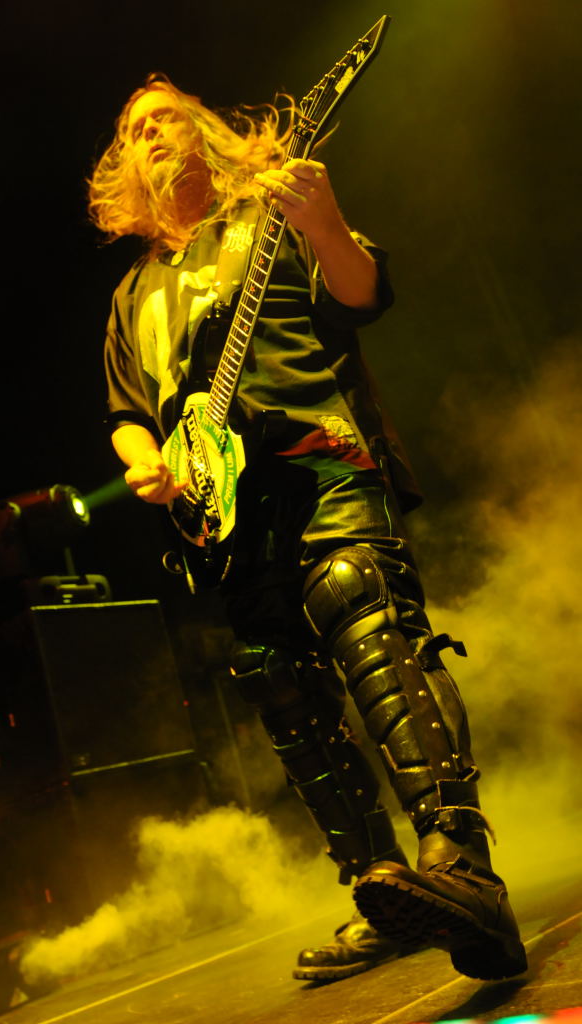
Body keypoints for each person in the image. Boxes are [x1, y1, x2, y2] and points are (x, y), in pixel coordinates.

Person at [89, 74, 527, 983]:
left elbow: (363, 293)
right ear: (123, 165)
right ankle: (381, 890)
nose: (151, 134)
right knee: (279, 687)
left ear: (207, 133)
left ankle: (463, 868)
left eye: (167, 118)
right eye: (134, 130)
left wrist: (325, 220)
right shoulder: (133, 296)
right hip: (225, 516)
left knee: (368, 626)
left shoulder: (269, 213)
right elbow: (128, 413)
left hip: (321, 460)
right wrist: (146, 463)